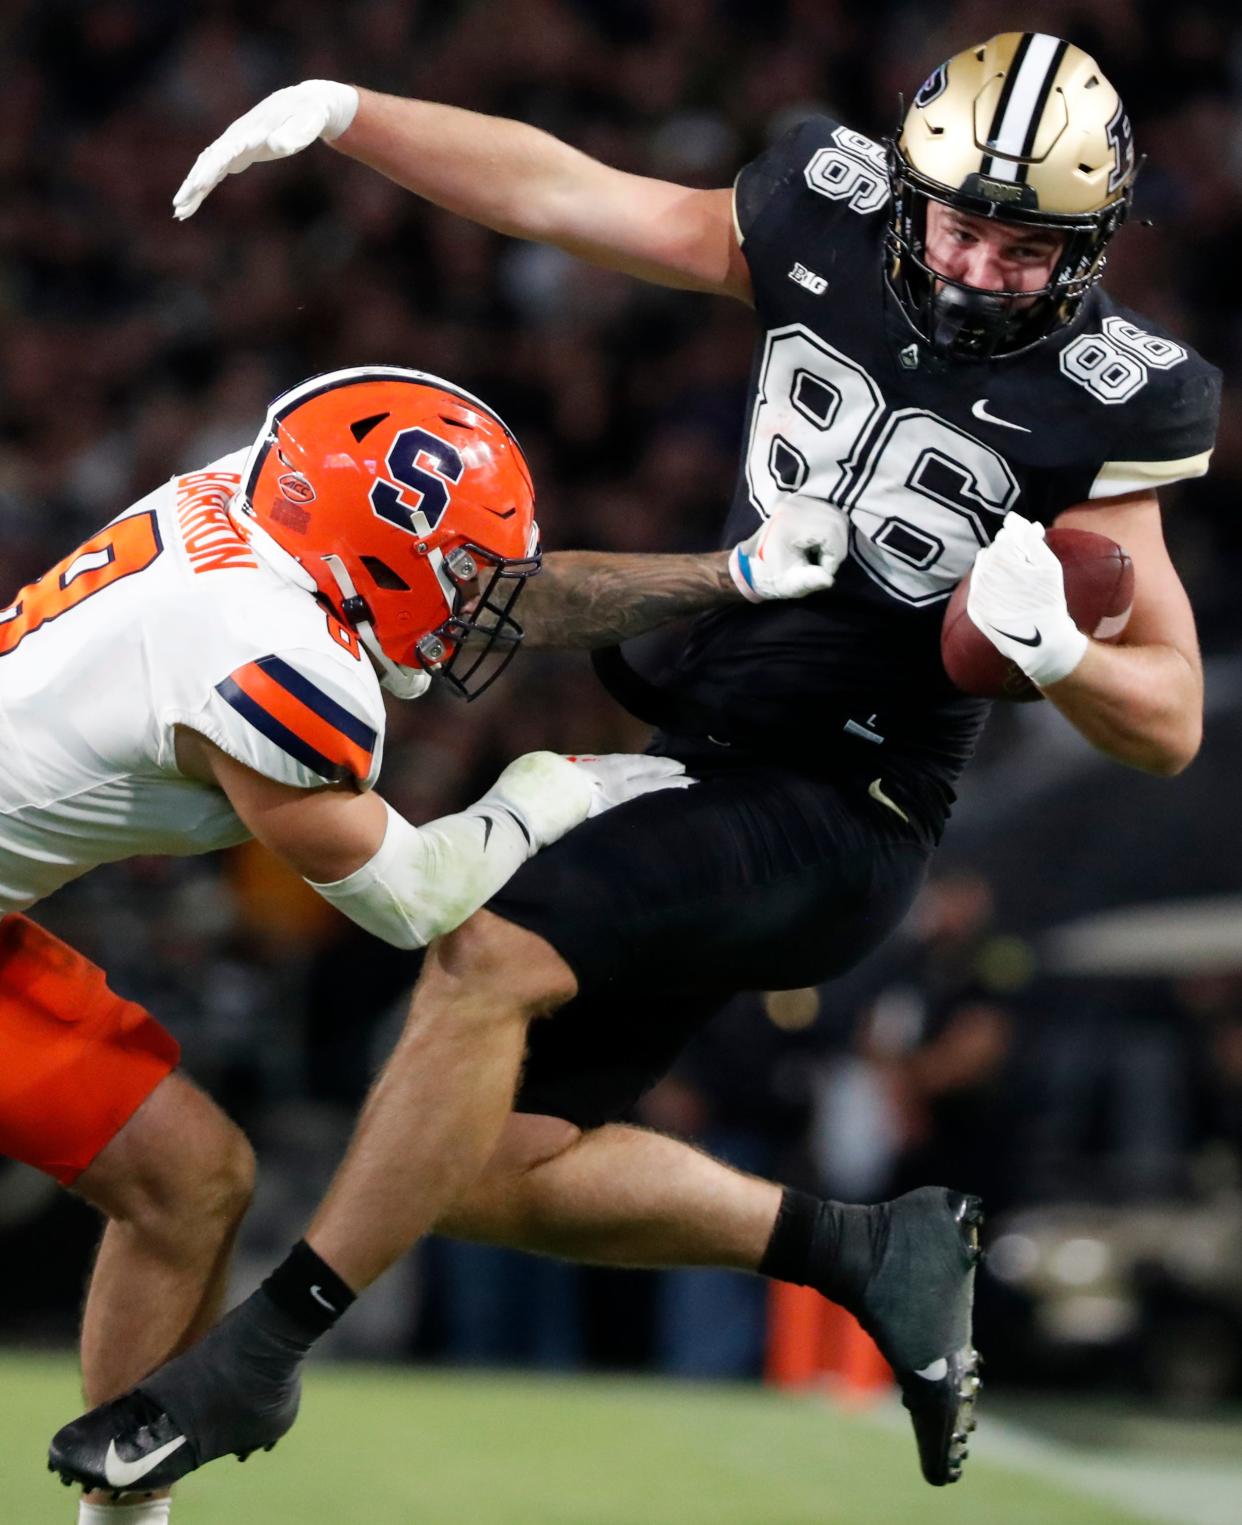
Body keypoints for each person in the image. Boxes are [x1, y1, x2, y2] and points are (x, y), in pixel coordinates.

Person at [52, 31, 1219, 1496]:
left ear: (1094, 244)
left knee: (484, 957)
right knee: (475, 1167)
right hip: (705, 745)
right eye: (962, 226)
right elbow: (567, 193)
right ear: (909, 188)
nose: (984, 267)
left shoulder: (1123, 394)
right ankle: (865, 1248)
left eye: (1024, 248)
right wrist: (352, 111)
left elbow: (1166, 717)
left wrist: (1057, 655)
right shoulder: (825, 211)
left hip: (849, 799)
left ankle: (252, 1360)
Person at [10, 359, 843, 1524]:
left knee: (192, 1183)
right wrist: (551, 791)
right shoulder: (266, 656)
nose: (472, 600)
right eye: (453, 570)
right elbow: (410, 901)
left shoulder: (259, 502)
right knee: (190, 1180)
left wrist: (730, 574)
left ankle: (121, 1516)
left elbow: (510, 590)